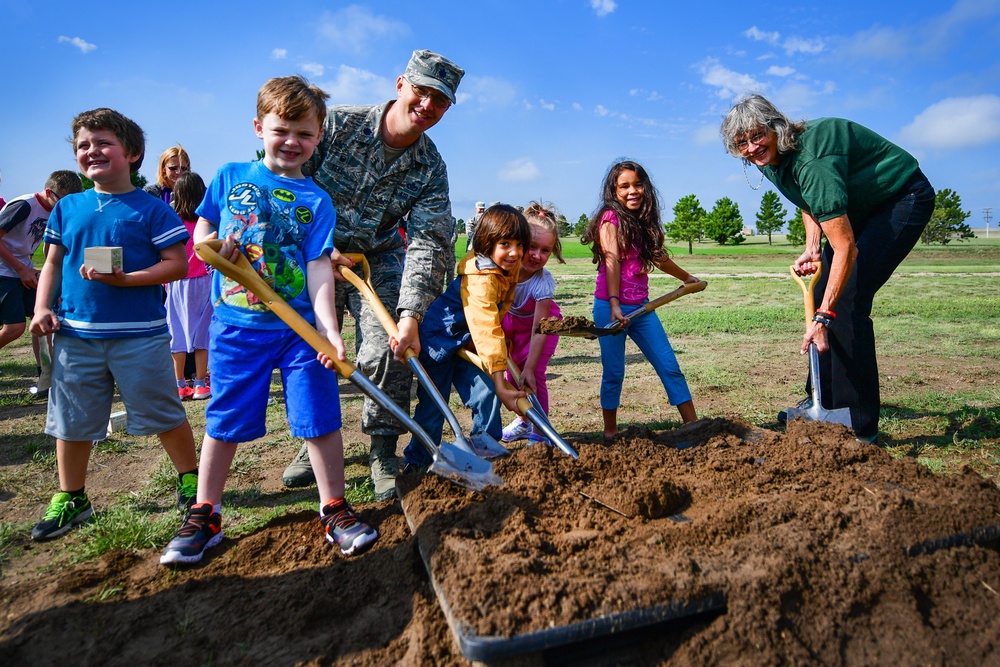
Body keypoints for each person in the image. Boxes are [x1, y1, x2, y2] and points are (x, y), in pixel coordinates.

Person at [160, 75, 377, 565]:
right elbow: (204, 231)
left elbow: (319, 265)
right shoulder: (231, 176)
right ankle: (206, 513)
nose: (292, 142)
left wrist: (329, 328)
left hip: (299, 330)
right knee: (226, 418)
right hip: (238, 325)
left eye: (304, 133)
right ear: (259, 127)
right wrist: (212, 248)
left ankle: (334, 508)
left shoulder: (317, 200)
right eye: (282, 130)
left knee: (320, 417)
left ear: (318, 137)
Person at [281, 49, 465, 501]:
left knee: (388, 349)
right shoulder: (337, 126)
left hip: (378, 255)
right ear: (401, 84)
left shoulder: (430, 166)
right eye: (422, 92)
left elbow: (429, 239)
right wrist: (320, 248)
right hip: (311, 251)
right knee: (315, 350)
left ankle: (383, 449)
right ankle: (315, 441)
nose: (428, 106)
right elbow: (285, 183)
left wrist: (411, 314)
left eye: (440, 101)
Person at [720, 93, 935, 443]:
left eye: (757, 135)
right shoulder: (772, 161)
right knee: (824, 294)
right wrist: (811, 247)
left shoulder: (810, 159)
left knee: (846, 303)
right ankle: (824, 398)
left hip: (900, 197)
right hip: (858, 205)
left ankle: (857, 423)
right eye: (741, 142)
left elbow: (846, 246)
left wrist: (823, 317)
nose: (750, 147)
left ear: (775, 128)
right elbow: (809, 201)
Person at [29, 108, 199, 541]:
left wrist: (125, 279)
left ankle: (190, 481)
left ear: (133, 153)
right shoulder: (68, 208)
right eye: (83, 145)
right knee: (71, 420)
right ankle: (73, 497)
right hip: (74, 335)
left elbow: (176, 265)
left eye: (102, 142)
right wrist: (41, 308)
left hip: (139, 336)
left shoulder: (152, 209)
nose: (91, 151)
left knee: (163, 411)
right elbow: (52, 263)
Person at [401, 204, 529, 470]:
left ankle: (487, 451)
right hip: (438, 341)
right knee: (435, 407)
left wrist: (498, 376)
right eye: (505, 243)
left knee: (486, 393)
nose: (514, 252)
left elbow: (497, 310)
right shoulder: (480, 278)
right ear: (486, 243)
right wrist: (500, 374)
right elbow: (485, 324)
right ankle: (417, 463)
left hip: (465, 340)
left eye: (519, 244)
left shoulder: (507, 265)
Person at [582, 160, 700, 440]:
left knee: (669, 365)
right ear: (614, 190)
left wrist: (687, 278)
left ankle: (694, 426)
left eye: (637, 184)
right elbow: (611, 262)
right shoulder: (610, 218)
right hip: (610, 308)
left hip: (642, 309)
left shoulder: (643, 220)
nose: (633, 191)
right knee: (614, 371)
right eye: (624, 186)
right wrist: (613, 303)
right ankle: (610, 432)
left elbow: (659, 258)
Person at [0, 171, 83, 383]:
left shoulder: (56, 211)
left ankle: (45, 375)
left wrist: (52, 283)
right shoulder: (24, 205)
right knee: (14, 328)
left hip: (25, 268)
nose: (67, 206)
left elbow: (49, 250)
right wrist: (20, 269)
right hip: (5, 270)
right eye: (63, 201)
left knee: (43, 322)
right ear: (48, 192)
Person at [499, 201, 565, 445]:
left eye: (545, 250)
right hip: (512, 326)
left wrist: (529, 366)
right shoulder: (503, 270)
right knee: (512, 374)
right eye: (532, 247)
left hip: (542, 329)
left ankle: (540, 430)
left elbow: (541, 328)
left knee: (532, 375)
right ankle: (525, 421)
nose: (538, 255)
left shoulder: (542, 282)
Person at [165, 171, 212, 401]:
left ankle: (179, 385)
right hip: (205, 281)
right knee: (203, 335)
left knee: (177, 335)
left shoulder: (172, 220)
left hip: (176, 283)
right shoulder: (208, 222)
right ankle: (201, 384)